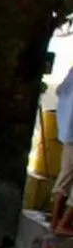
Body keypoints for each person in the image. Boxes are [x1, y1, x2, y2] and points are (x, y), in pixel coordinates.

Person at [51, 64, 73, 235]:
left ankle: (55, 220)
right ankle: (63, 224)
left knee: (65, 175)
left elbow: (59, 91)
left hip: (69, 132)